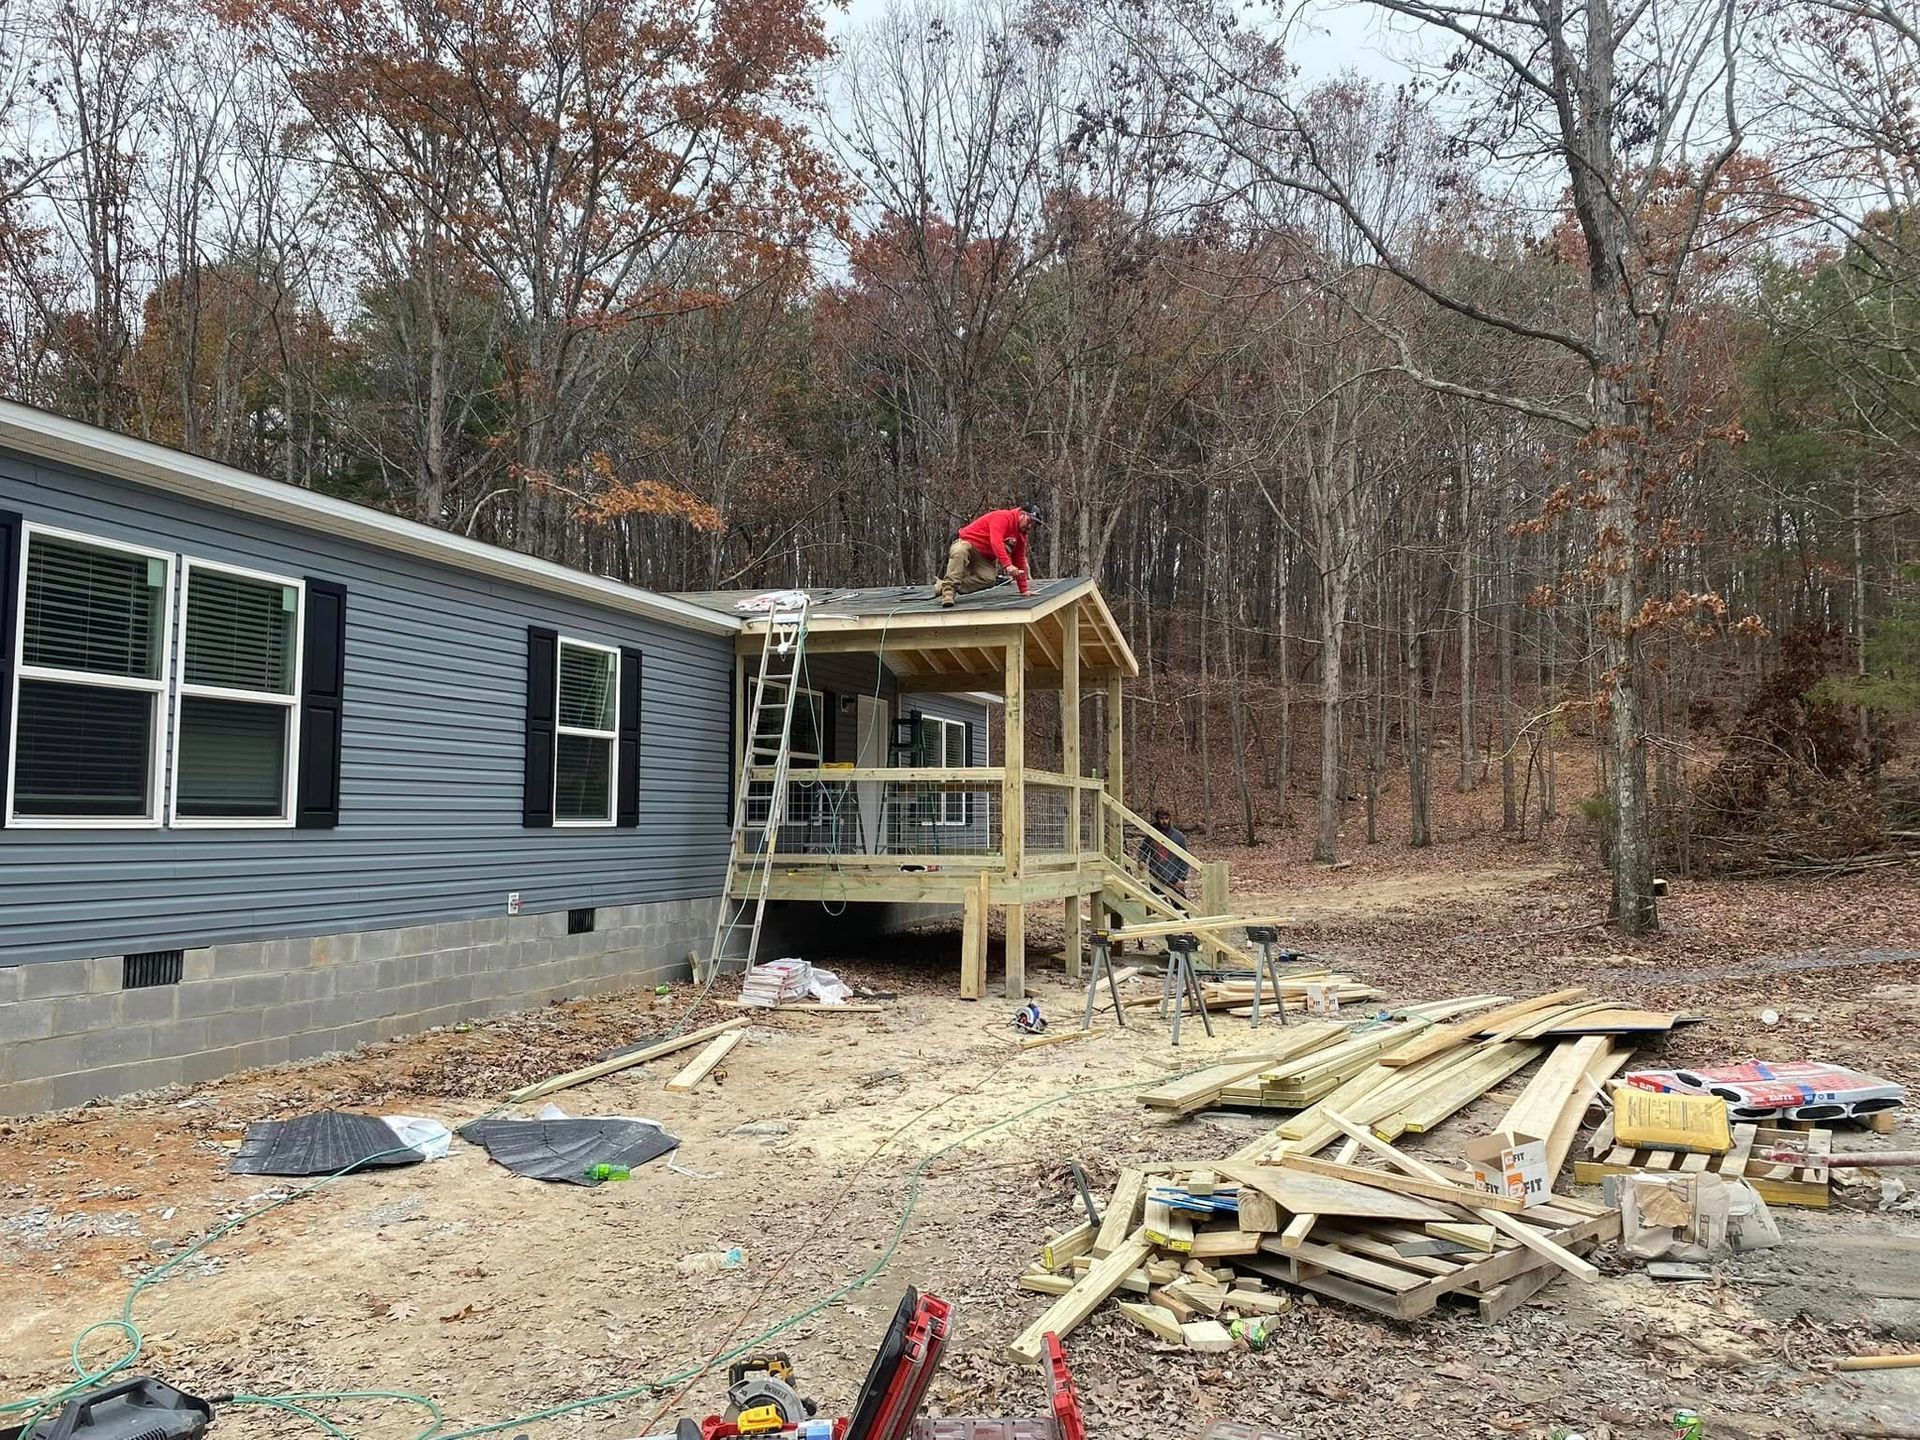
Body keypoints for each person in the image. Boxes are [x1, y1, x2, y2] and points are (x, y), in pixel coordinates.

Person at [934, 502, 1041, 607]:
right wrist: (1008, 565)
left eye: (1033, 525)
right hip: (967, 542)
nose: (1030, 526)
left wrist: (1024, 589)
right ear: (1021, 514)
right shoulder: (1003, 517)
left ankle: (943, 586)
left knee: (988, 579)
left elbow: (1019, 559)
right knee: (960, 550)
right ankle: (948, 592)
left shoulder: (1021, 536)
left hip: (983, 557)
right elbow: (996, 542)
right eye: (1029, 521)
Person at [1138, 806, 1190, 896]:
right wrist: (1142, 860)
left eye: (1166, 818)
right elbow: (1143, 849)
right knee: (1158, 907)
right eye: (1161, 818)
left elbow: (1185, 859)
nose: (1164, 821)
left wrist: (1182, 878)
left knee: (1180, 908)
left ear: (1170, 818)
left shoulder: (1178, 836)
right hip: (1156, 877)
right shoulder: (1152, 834)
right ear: (1157, 819)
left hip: (1174, 878)